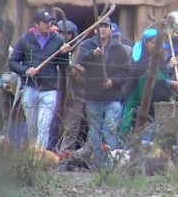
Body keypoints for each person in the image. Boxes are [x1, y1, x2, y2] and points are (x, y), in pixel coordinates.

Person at [9, 10, 71, 149]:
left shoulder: (57, 40)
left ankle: (40, 157)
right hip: (30, 87)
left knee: (44, 125)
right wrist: (26, 71)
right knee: (32, 127)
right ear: (36, 24)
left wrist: (65, 54)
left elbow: (63, 66)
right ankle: (32, 155)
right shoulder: (25, 39)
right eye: (45, 22)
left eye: (50, 22)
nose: (48, 25)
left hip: (49, 89)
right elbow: (12, 62)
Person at [80, 16, 129, 167]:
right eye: (100, 26)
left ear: (110, 29)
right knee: (94, 132)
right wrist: (93, 54)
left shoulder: (119, 49)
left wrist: (112, 82)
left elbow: (126, 72)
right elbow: (80, 60)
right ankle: (97, 165)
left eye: (105, 26)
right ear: (95, 29)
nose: (102, 29)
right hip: (93, 97)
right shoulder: (88, 45)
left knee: (110, 130)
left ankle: (111, 163)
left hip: (112, 97)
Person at [55, 20, 88, 155]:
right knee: (53, 126)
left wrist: (73, 68)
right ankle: (48, 155)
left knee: (71, 126)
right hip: (55, 92)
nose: (65, 35)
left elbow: (86, 70)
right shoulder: (52, 45)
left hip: (75, 94)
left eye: (68, 33)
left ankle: (65, 156)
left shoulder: (82, 48)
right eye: (61, 32)